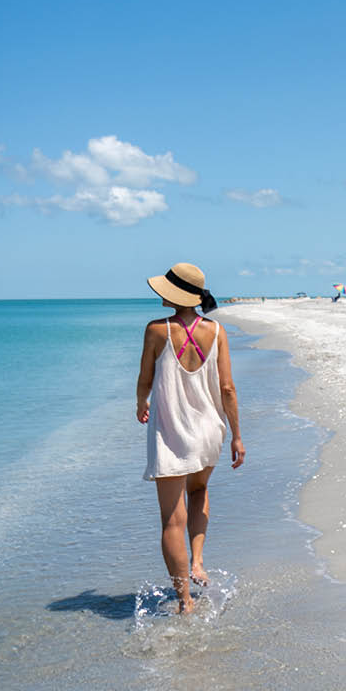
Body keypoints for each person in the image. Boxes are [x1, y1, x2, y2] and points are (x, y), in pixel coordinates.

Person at [136, 263, 245, 614]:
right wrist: (237, 436)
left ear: (174, 295)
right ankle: (197, 561)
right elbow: (227, 388)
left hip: (172, 435)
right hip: (209, 432)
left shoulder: (157, 330)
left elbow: (145, 378)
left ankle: (184, 602)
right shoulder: (216, 331)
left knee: (172, 519)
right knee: (198, 491)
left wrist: (142, 402)